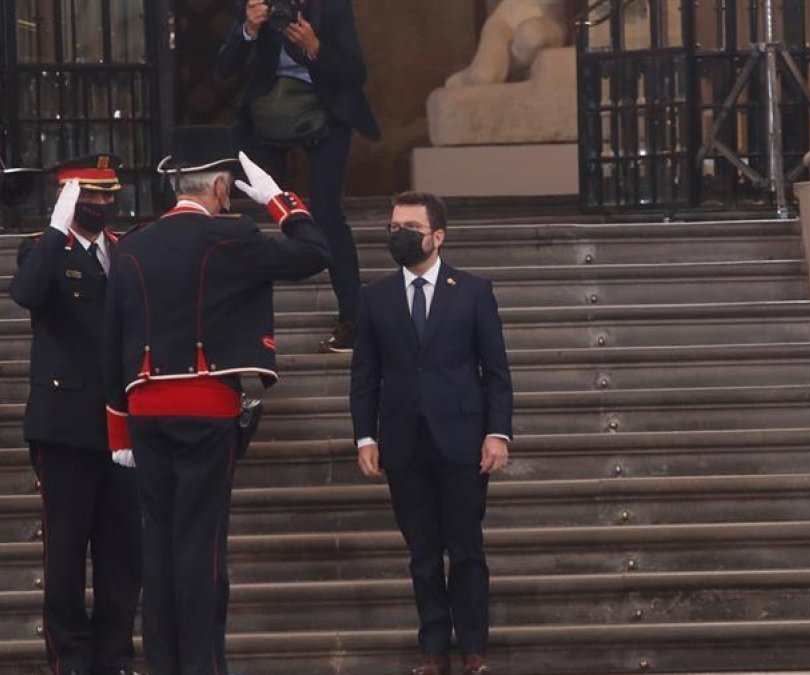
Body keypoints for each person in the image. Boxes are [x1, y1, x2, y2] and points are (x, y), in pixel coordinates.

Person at [103, 125, 330, 675]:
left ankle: (164, 664)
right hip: (206, 408)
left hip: (145, 412)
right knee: (200, 550)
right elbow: (314, 253)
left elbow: (111, 339)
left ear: (177, 182)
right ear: (224, 187)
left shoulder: (132, 244)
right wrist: (277, 199)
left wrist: (118, 428)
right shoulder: (233, 237)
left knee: (157, 549)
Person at [351, 191, 514, 675]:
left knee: (466, 550)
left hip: (463, 441)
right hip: (403, 442)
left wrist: (497, 434)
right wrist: (365, 437)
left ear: (437, 236)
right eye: (392, 227)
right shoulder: (374, 297)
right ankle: (433, 652)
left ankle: (475, 650)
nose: (397, 235)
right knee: (422, 553)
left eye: (408, 228)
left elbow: (496, 372)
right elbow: (364, 376)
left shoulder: (473, 291)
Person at [10, 155, 141, 675]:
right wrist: (54, 229)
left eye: (110, 195)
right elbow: (26, 294)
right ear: (69, 197)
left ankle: (113, 657)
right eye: (92, 196)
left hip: (122, 426)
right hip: (64, 425)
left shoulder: (123, 252)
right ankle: (71, 659)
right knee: (65, 554)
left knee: (122, 555)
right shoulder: (42, 251)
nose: (104, 204)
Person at [216, 0, 380, 353]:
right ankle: (239, 321)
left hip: (326, 111)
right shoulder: (254, 7)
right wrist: (249, 29)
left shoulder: (332, 8)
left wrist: (314, 46)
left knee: (327, 212)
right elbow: (224, 67)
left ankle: (352, 318)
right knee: (252, 210)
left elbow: (356, 73)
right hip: (269, 114)